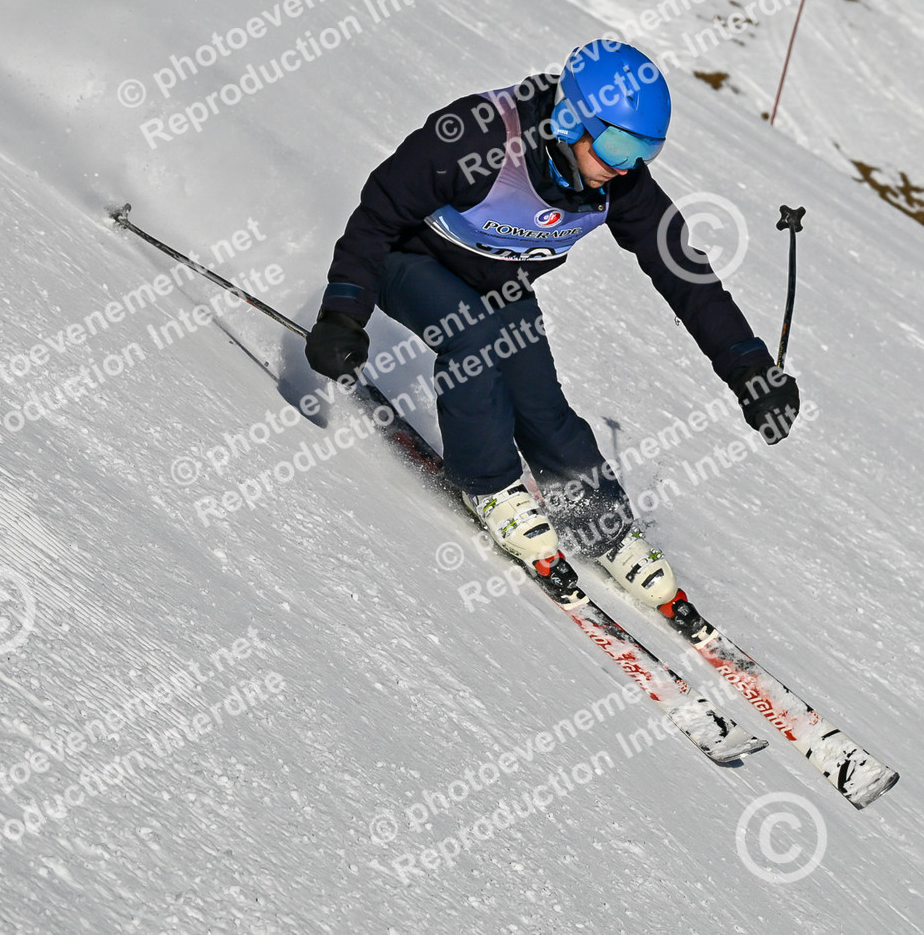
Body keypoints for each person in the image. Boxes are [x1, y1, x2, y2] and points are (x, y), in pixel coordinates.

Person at [305, 38, 799, 613]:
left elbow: (685, 276)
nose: (626, 164)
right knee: (473, 336)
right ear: (571, 119)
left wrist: (750, 370)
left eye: (646, 150)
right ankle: (491, 486)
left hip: (498, 283)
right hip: (407, 259)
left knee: (538, 398)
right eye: (618, 144)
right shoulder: (478, 137)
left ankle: (598, 519)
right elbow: (376, 216)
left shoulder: (620, 184)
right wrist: (343, 312)